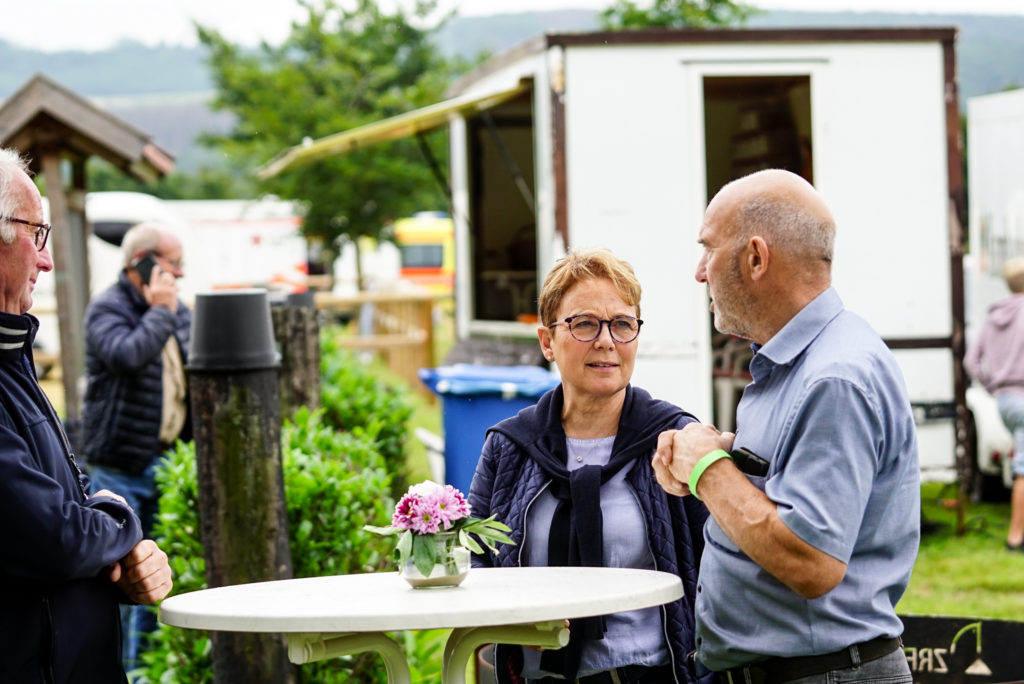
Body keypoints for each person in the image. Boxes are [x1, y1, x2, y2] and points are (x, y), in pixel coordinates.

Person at [653, 169, 919, 683]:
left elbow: (812, 563)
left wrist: (708, 469)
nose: (700, 272)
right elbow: (795, 483)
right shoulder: (806, 362)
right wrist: (720, 454)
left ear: (755, 257)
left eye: (708, 249)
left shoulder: (833, 377)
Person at [468, 247, 709, 684]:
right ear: (547, 342)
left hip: (649, 674)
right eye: (584, 324)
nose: (606, 341)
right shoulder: (509, 447)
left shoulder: (675, 440)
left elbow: (716, 563)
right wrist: (512, 615)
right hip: (536, 677)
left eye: (622, 324)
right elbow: (472, 559)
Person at [0, 146, 173, 682]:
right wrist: (121, 520)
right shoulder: (108, 309)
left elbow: (68, 504)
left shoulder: (12, 353)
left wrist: (110, 551)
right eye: (38, 235)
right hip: (124, 459)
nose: (47, 261)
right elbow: (57, 537)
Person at [80, 221, 190, 672]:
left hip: (165, 461)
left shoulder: (176, 309)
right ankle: (124, 674)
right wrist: (161, 312)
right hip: (121, 467)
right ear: (141, 262)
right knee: (124, 583)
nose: (180, 275)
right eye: (173, 265)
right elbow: (127, 355)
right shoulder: (107, 309)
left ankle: (147, 672)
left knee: (157, 580)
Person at [965, 256, 1024, 552]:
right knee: (1023, 467)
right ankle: (1016, 538)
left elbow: (970, 360)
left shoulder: (994, 316)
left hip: (1005, 401)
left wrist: (994, 387)